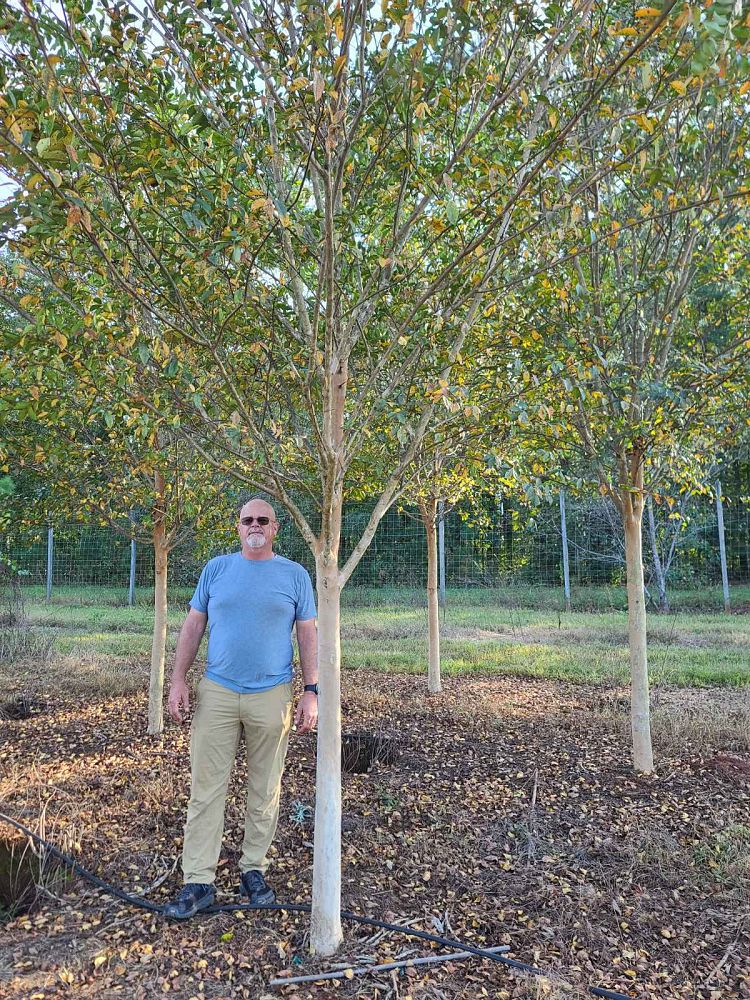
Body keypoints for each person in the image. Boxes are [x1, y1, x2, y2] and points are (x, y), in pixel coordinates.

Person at [164, 497, 318, 920]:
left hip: (271, 694)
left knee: (265, 787)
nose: (254, 525)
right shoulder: (216, 570)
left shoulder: (295, 576)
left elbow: (307, 633)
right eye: (247, 519)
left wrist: (312, 690)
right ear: (238, 527)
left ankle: (254, 869)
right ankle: (198, 880)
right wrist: (178, 679)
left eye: (262, 520)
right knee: (206, 787)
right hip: (217, 691)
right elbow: (194, 624)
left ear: (275, 528)